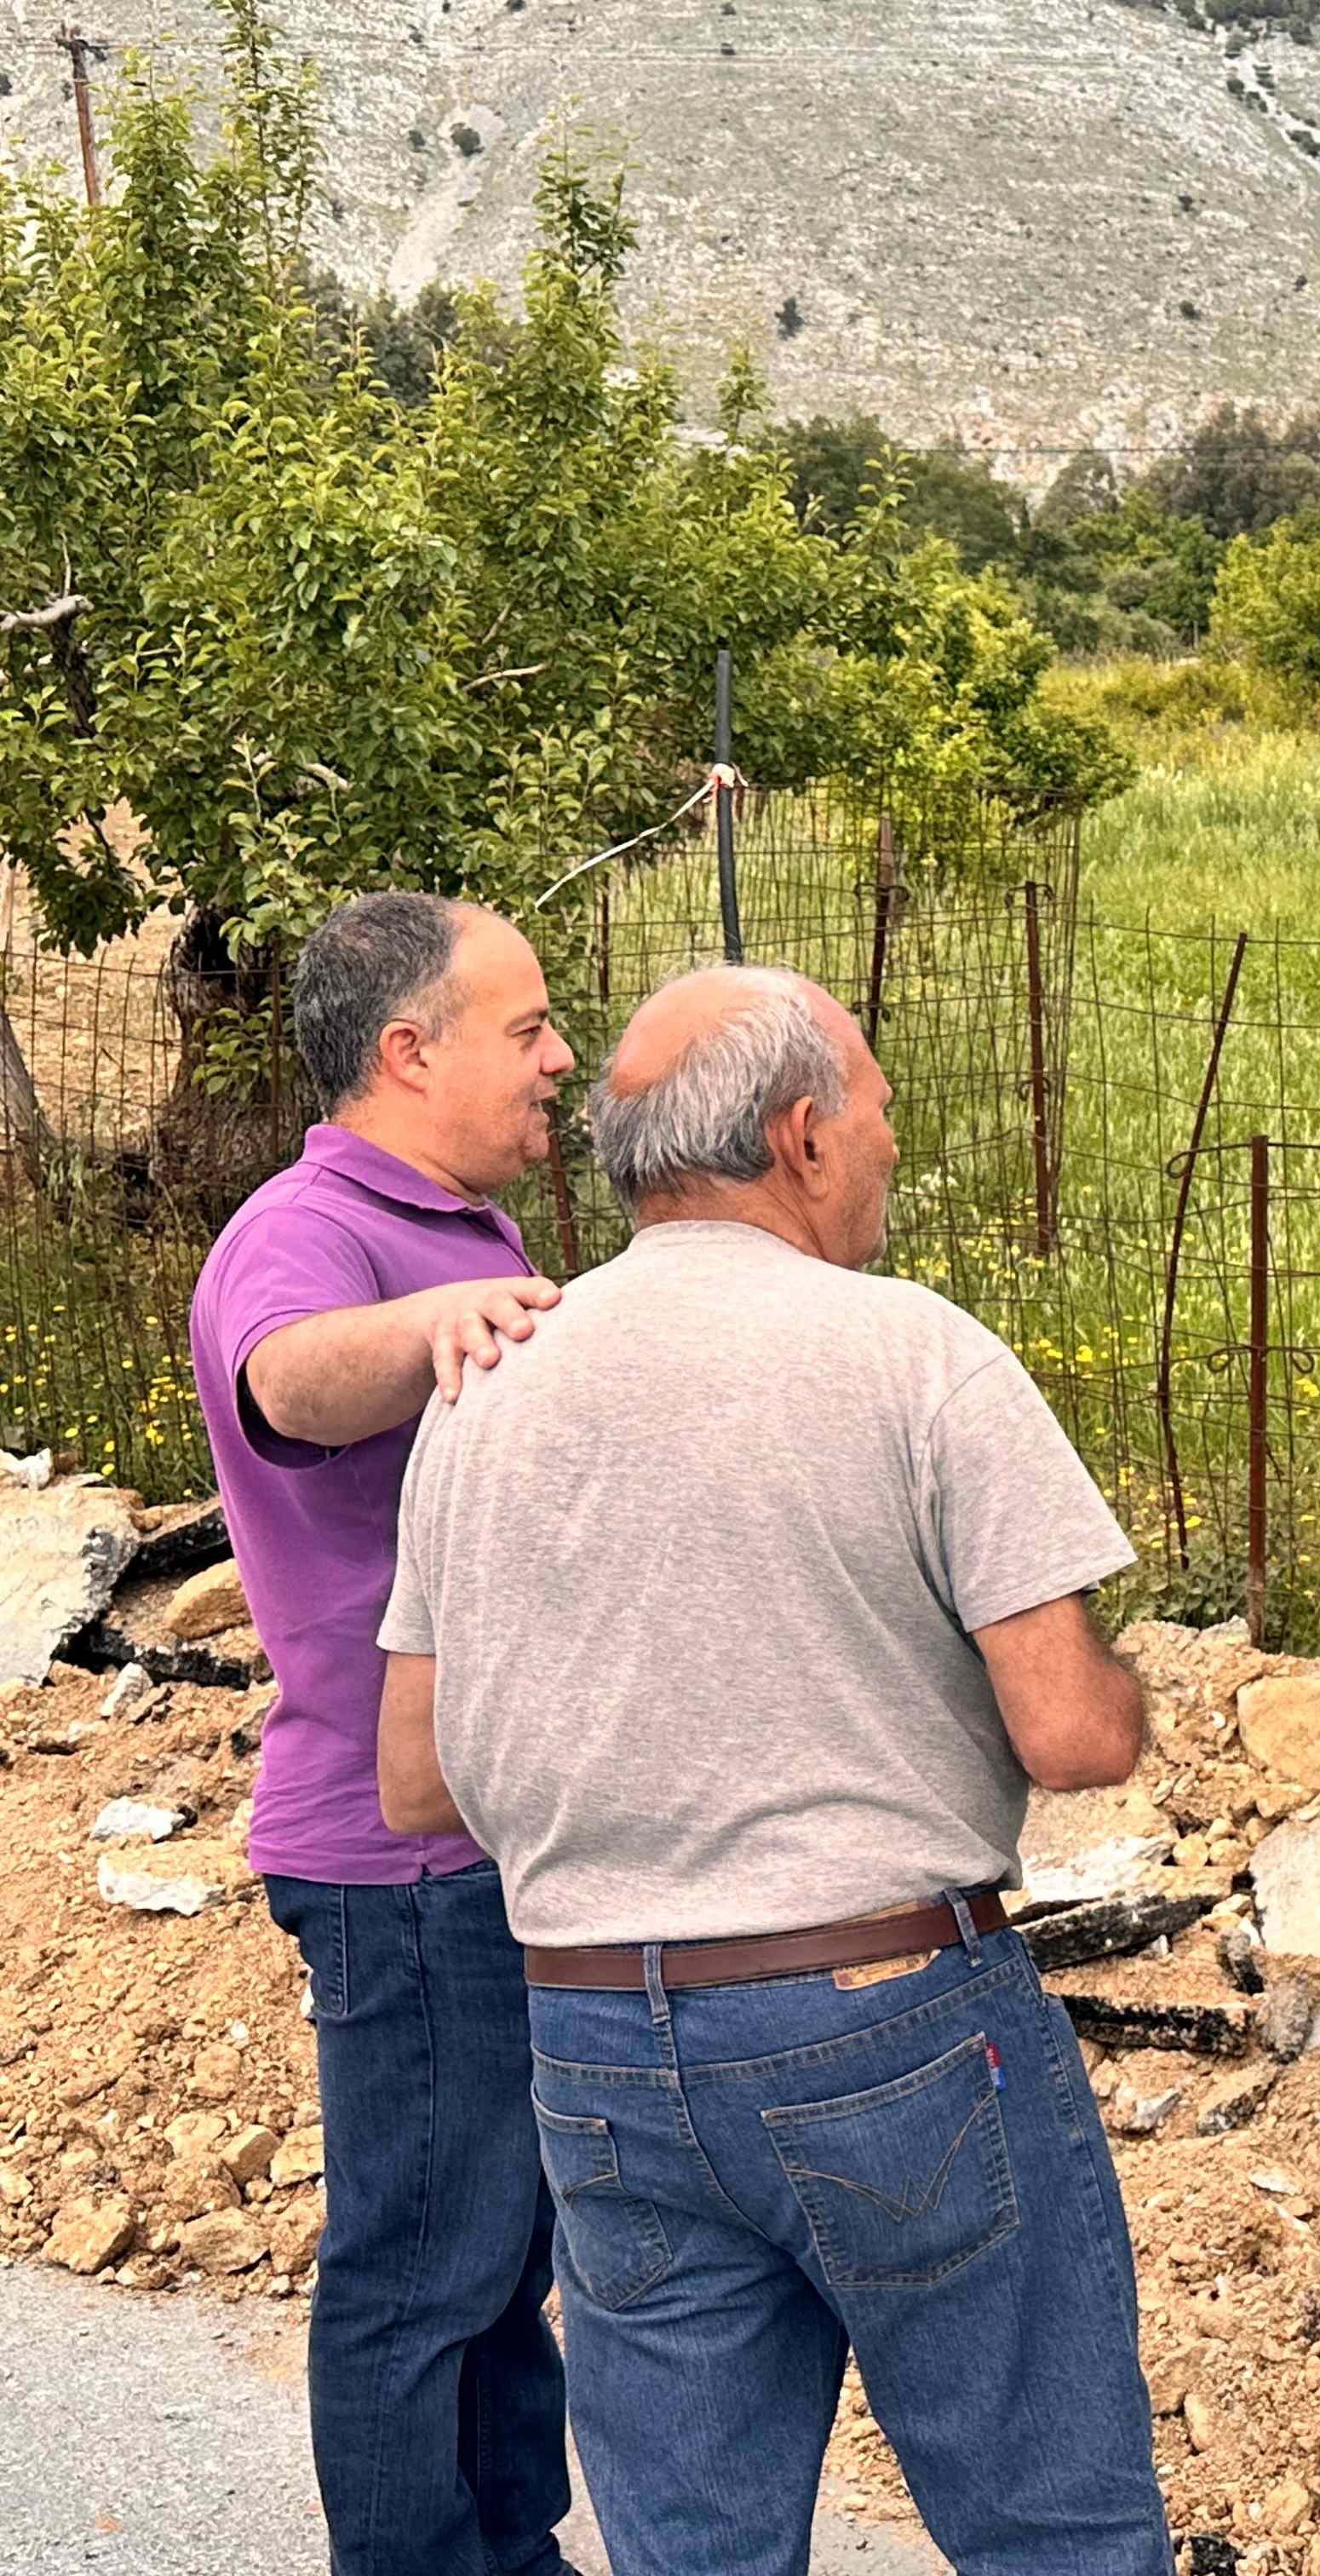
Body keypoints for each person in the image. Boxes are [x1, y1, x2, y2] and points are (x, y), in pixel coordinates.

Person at [368, 965, 1177, 2576]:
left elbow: (416, 1783)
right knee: (1052, 2525)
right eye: (873, 1107)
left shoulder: (488, 1384)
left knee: (693, 2550)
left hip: (596, 2032)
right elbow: (1074, 1737)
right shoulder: (915, 1354)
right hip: (889, 2014)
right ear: (802, 1137)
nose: (891, 1140)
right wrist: (1127, 1689)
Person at [185, 890, 579, 2576]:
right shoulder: (308, 1230)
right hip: (398, 1854)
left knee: (496, 2265)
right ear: (410, 1053)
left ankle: (509, 2548)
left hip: (490, 1839)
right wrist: (432, 1330)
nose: (560, 1058)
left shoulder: (465, 1224)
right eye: (529, 1027)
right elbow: (290, 1379)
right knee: (423, 2271)